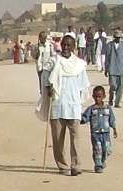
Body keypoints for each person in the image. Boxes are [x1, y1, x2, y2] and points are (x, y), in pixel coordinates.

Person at [37, 34, 90, 176]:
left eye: (69, 45)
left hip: (73, 105)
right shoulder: (53, 62)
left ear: (73, 47)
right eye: (64, 45)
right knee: (58, 138)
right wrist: (47, 89)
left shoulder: (79, 65)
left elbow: (83, 86)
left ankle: (76, 165)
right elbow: (45, 79)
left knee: (76, 137)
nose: (66, 48)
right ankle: (62, 165)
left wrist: (78, 100)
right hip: (57, 104)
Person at [81, 84, 117, 173]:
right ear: (93, 97)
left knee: (106, 149)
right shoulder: (91, 109)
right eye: (96, 97)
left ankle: (103, 160)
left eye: (99, 97)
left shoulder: (108, 108)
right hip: (95, 133)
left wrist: (114, 129)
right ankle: (98, 165)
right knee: (97, 149)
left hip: (106, 133)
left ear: (104, 96)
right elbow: (85, 118)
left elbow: (111, 119)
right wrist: (79, 118)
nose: (97, 99)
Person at [105, 29, 123, 107]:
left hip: (121, 69)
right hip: (112, 68)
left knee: (120, 87)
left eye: (119, 37)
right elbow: (107, 58)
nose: (118, 39)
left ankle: (117, 102)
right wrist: (106, 69)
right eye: (116, 37)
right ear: (114, 37)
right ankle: (110, 99)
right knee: (112, 85)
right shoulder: (109, 45)